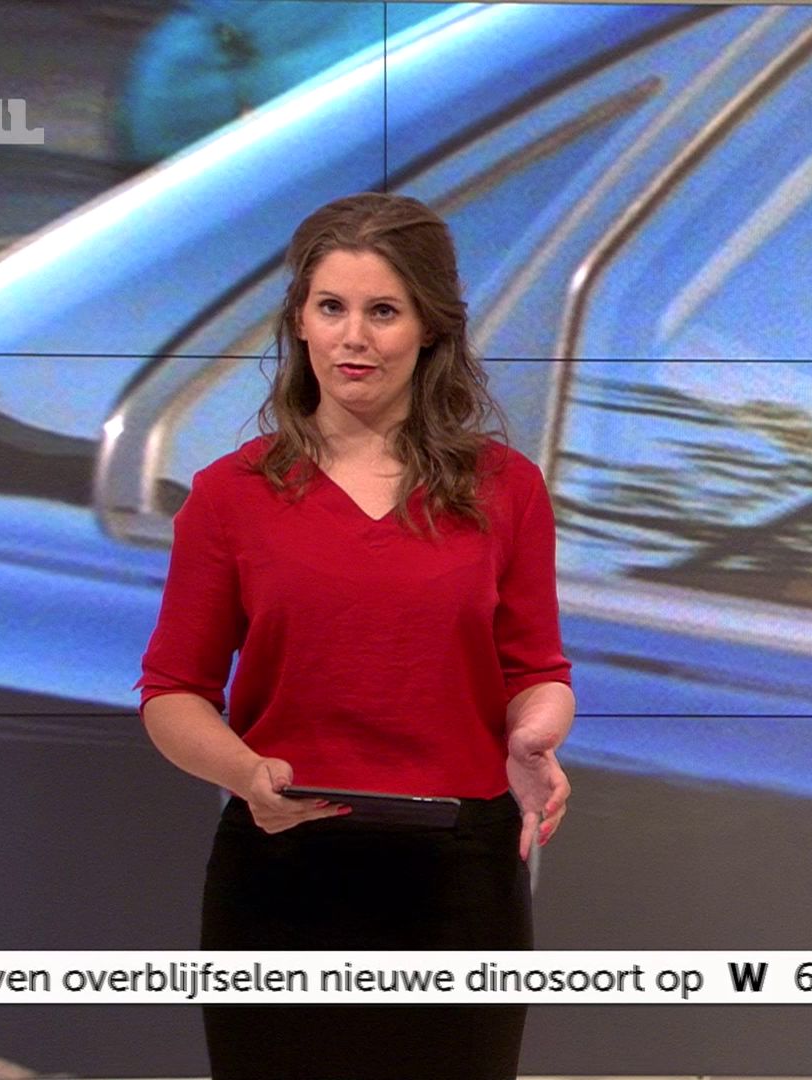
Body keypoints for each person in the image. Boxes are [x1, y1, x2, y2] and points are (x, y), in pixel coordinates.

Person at [134, 192, 574, 1080]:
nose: (354, 338)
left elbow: (538, 669)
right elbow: (172, 694)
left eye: (384, 311)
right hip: (281, 869)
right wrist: (242, 773)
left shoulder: (506, 489)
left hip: (459, 878)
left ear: (430, 326)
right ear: (299, 319)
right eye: (331, 307)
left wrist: (534, 736)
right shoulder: (230, 495)